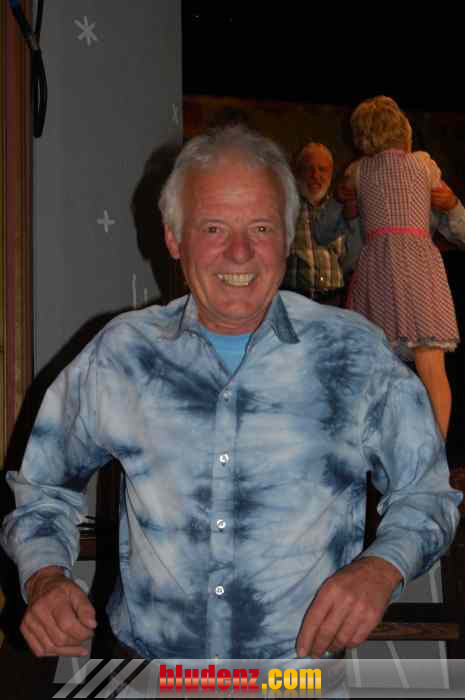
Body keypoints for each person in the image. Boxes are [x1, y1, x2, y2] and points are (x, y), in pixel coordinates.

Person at [0, 125, 461, 666]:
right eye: (214, 227)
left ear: (287, 239)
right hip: (151, 676)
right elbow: (42, 487)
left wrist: (381, 568)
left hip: (298, 682)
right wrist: (46, 577)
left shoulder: (355, 355)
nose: (239, 252)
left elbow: (427, 494)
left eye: (261, 227)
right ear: (174, 238)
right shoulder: (121, 355)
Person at [322, 96, 461, 440]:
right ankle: (429, 451)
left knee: (378, 370)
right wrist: (342, 203)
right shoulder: (424, 164)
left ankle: (394, 452)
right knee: (430, 367)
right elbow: (325, 228)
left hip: (379, 266)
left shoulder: (358, 171)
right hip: (418, 264)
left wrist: (453, 205)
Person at [282, 142, 356, 306]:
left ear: (331, 173)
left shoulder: (341, 209)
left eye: (322, 169)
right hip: (294, 302)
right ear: (296, 172)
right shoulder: (285, 207)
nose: (315, 175)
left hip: (335, 302)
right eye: (308, 169)